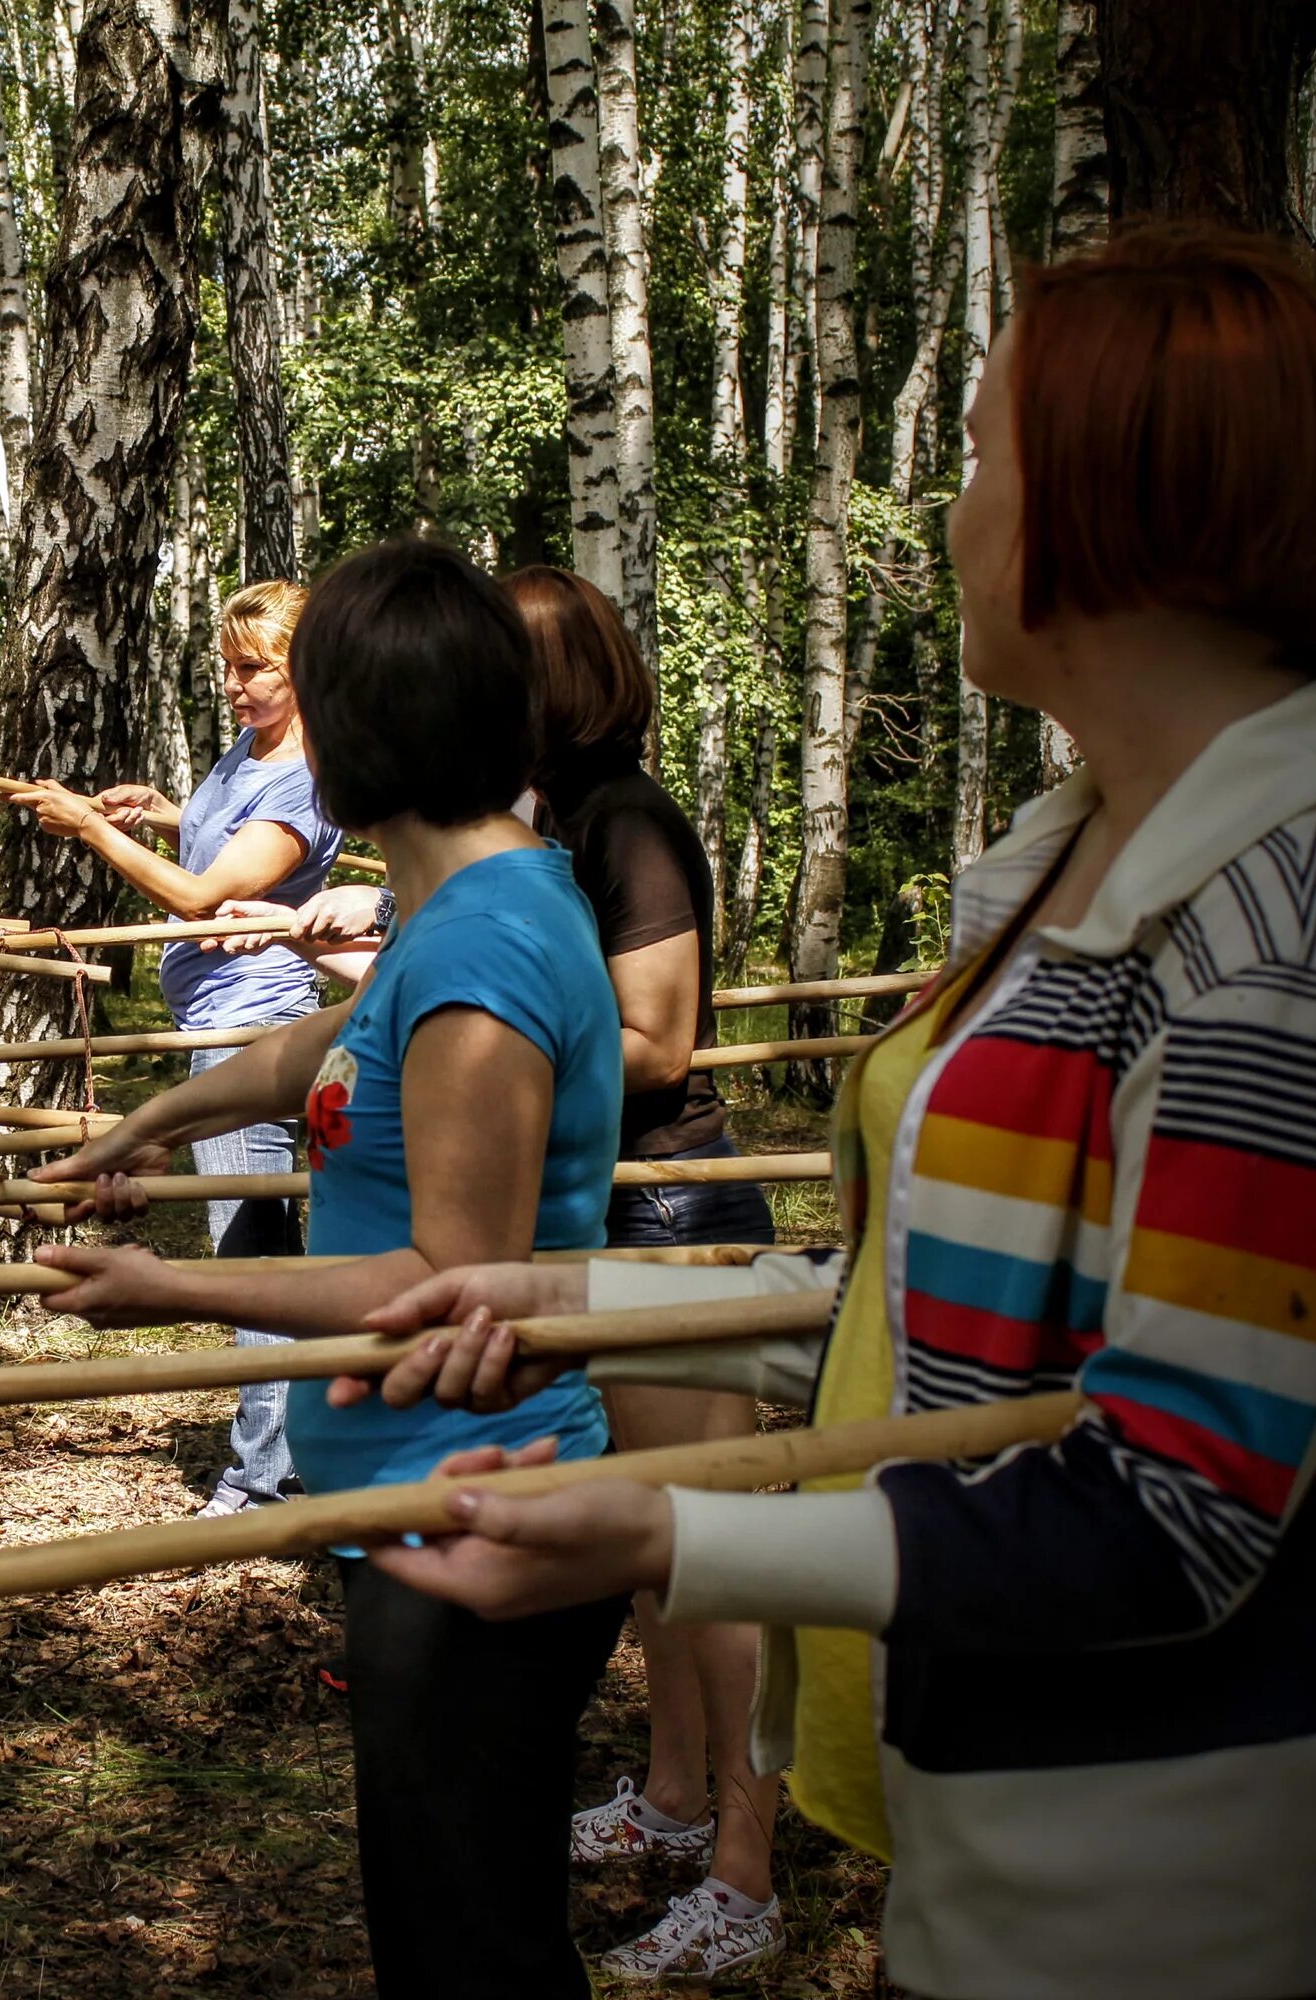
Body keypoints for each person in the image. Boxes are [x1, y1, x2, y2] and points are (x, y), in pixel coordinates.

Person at [351, 228, 1316, 2000]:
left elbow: (1169, 1507)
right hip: (1022, 1818)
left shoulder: (1294, 945)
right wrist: (550, 1301)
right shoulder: (1086, 857)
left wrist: (663, 1526)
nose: (949, 517)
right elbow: (923, 1305)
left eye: (978, 456)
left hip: (1209, 1885)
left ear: (1119, 507)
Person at [25, 540, 628, 1997]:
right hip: (420, 1496)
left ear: (363, 738)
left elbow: (454, 1279)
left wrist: (172, 1292)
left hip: (479, 1507)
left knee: (471, 1953)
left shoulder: (483, 946)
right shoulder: (457, 903)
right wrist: (163, 1113)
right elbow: (322, 1046)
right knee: (452, 1922)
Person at [497, 564, 786, 1981]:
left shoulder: (629, 820)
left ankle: (749, 1868)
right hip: (607, 1211)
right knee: (657, 1550)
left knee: (716, 1552)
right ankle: (674, 1802)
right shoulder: (553, 825)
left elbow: (659, 1040)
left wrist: (499, 1040)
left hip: (674, 1210)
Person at [7, 580, 342, 1517]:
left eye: (254, 671)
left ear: (306, 671)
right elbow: (213, 849)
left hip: (256, 1031)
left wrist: (90, 830)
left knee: (252, 1261)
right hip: (219, 1024)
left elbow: (202, 901)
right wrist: (161, 814)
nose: (234, 688)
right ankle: (293, 1453)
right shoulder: (251, 751)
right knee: (265, 1247)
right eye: (227, 669)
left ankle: (262, 1477)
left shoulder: (305, 777)